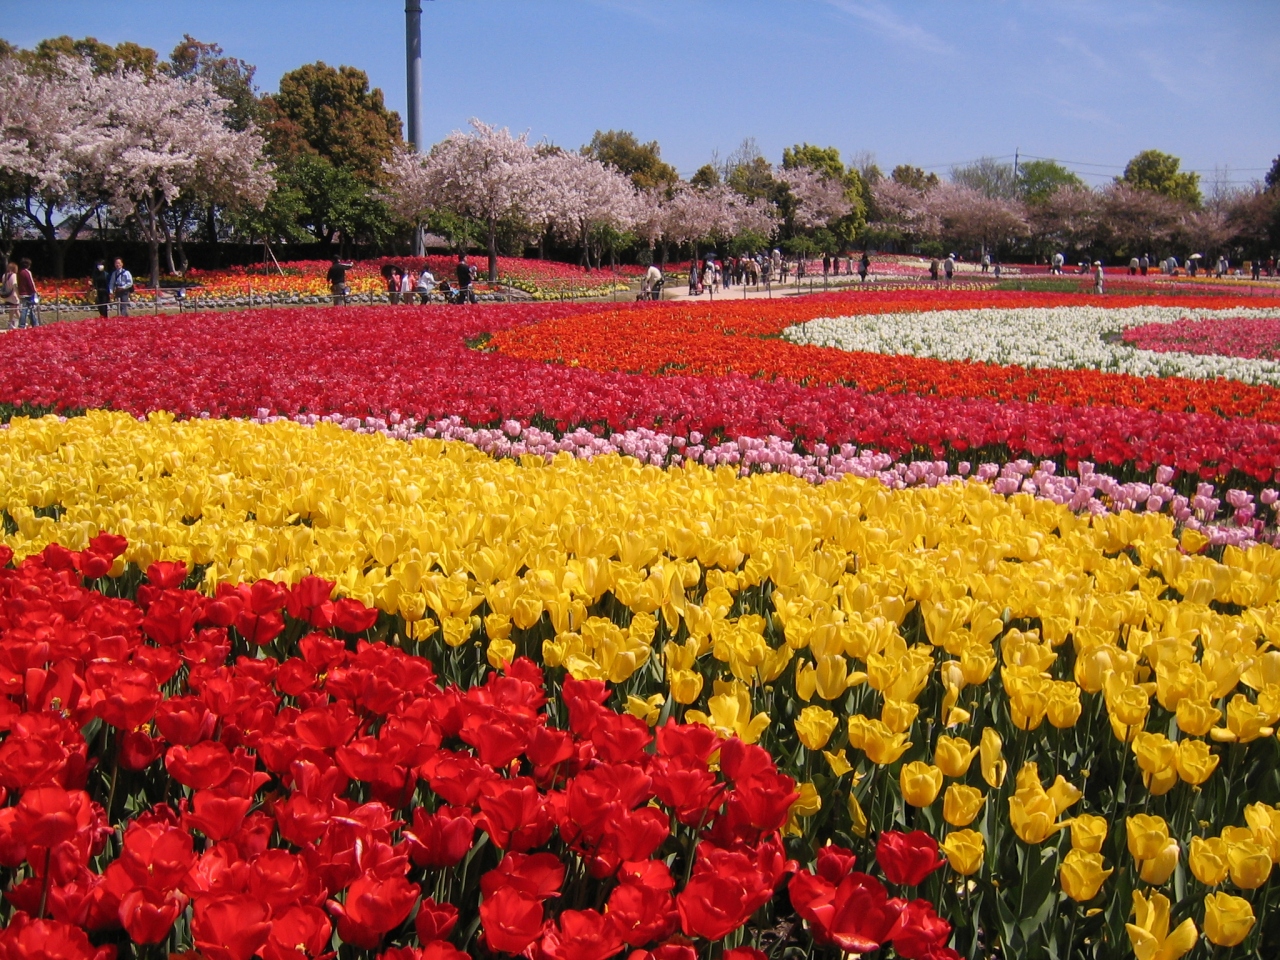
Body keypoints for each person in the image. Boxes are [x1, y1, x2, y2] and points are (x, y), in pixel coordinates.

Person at [16, 258, 38, 329]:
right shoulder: (27, 272)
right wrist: (34, 292)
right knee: (26, 309)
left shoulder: (20, 272)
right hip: (28, 293)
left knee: (29, 308)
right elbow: (31, 283)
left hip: (21, 293)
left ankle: (35, 323)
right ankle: (22, 325)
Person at [1, 262, 18, 330]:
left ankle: (22, 320)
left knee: (16, 309)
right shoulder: (13, 275)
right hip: (13, 295)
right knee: (14, 308)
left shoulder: (4, 275)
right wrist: (18, 294)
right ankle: (10, 323)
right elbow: (14, 285)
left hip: (6, 295)